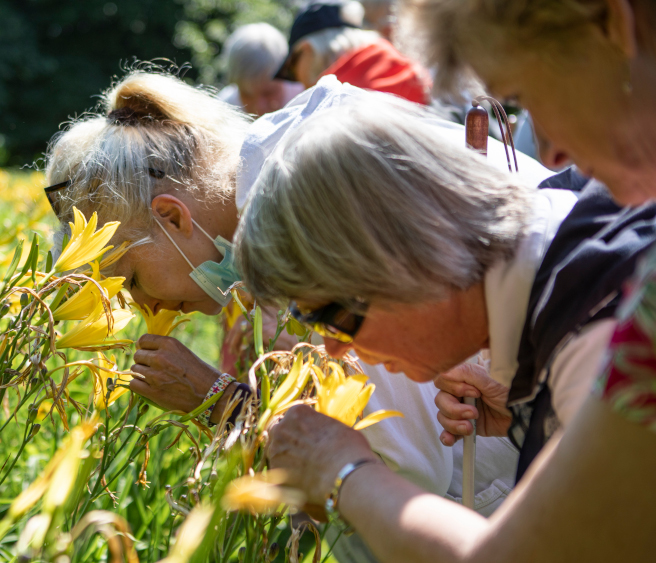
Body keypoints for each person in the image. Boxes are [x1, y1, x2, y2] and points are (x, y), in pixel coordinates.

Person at [44, 70, 544, 562]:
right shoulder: (293, 148)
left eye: (130, 279)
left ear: (173, 216)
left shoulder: (304, 206)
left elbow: (400, 473)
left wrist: (221, 402)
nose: (141, 307)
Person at [238, 13, 656, 549]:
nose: (332, 347)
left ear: (407, 249)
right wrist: (532, 416)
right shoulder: (581, 260)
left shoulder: (597, 320)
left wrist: (345, 471)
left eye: (333, 315)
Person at [275, 0, 430, 104]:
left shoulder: (325, 104)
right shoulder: (408, 69)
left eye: (292, 69)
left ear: (307, 49)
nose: (298, 81)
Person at [217, 23, 305, 116]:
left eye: (268, 93)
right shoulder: (223, 111)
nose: (259, 108)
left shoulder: (305, 99)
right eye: (247, 95)